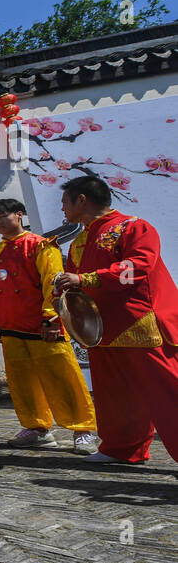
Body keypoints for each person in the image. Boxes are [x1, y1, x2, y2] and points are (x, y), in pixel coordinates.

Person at [54, 175, 178, 464]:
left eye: (64, 201)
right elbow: (76, 281)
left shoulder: (134, 227)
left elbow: (137, 267)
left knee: (167, 393)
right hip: (101, 327)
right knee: (114, 396)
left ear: (81, 199)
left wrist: (85, 278)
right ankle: (122, 448)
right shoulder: (80, 240)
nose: (62, 208)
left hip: (141, 322)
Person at [0, 198, 97, 453]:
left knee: (63, 377)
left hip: (43, 327)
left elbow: (53, 285)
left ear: (19, 215)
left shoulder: (42, 246)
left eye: (2, 217)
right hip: (11, 328)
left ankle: (83, 428)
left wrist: (51, 319)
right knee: (22, 382)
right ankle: (37, 428)